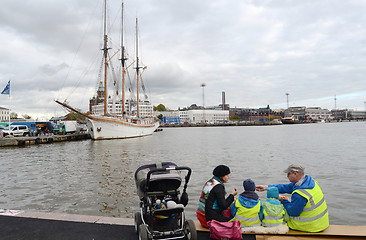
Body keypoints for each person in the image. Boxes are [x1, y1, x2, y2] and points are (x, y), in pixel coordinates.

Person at [256, 163, 329, 232]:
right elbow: (287, 187)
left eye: (288, 174)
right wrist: (267, 187)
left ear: (295, 173)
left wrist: (284, 200)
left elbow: (293, 212)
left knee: (280, 217)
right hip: (322, 223)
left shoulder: (300, 194)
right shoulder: (309, 182)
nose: (287, 176)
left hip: (310, 226)